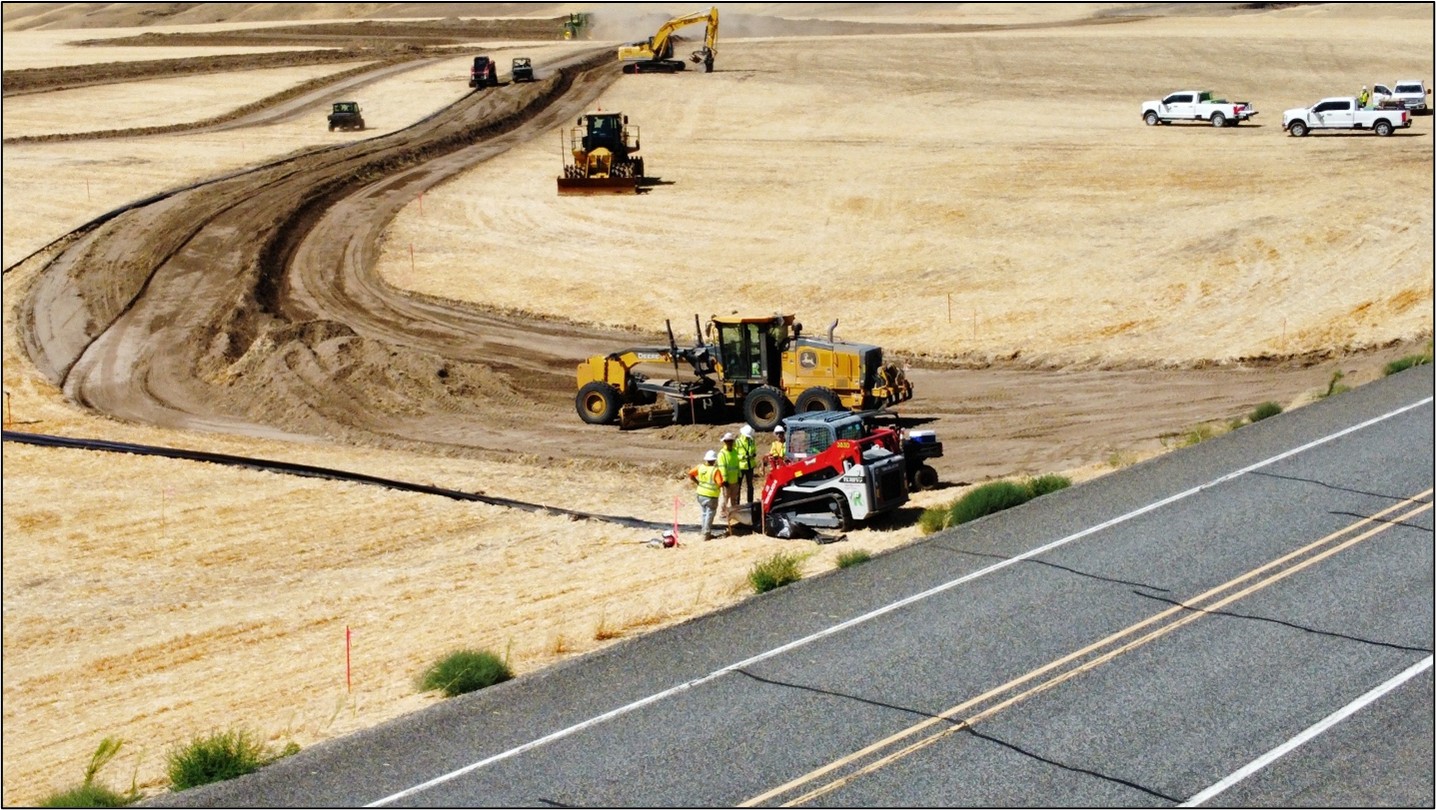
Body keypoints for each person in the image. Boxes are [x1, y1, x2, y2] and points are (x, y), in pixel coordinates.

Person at [687, 450, 724, 541]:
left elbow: (690, 474)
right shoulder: (715, 470)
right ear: (714, 460)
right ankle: (706, 533)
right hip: (711, 496)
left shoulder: (700, 467)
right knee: (710, 514)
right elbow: (719, 483)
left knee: (704, 513)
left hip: (700, 494)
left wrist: (698, 482)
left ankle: (703, 530)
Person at [716, 432, 743, 530]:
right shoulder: (722, 454)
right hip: (726, 482)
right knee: (725, 499)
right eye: (727, 441)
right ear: (725, 442)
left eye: (730, 441)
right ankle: (723, 514)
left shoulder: (735, 452)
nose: (729, 443)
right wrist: (725, 480)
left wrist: (739, 476)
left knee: (734, 498)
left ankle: (734, 513)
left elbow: (737, 465)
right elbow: (722, 468)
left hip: (735, 480)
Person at [736, 424, 758, 503]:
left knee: (750, 486)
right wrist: (743, 457)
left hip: (750, 466)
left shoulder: (751, 441)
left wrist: (753, 454)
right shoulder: (737, 442)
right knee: (738, 487)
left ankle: (750, 502)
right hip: (741, 467)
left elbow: (754, 450)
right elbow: (735, 455)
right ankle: (737, 503)